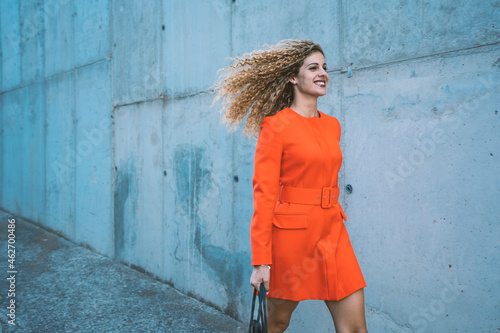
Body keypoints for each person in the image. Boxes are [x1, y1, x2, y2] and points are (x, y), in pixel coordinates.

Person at [215, 39, 367, 333]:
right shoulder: (275, 126)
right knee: (276, 322)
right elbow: (264, 194)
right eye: (313, 67)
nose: (322, 73)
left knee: (355, 327)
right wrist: (261, 262)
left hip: (333, 232)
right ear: (293, 77)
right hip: (292, 237)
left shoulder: (332, 125)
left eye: (324, 67)